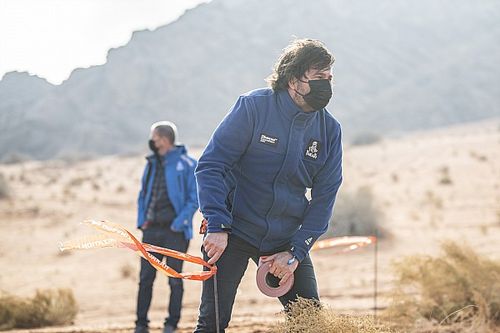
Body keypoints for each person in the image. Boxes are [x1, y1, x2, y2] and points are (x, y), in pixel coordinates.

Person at [194, 39, 343, 332]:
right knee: (211, 325)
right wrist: (217, 225)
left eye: (329, 78)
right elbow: (211, 165)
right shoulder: (253, 108)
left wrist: (296, 251)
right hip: (232, 232)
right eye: (318, 77)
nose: (326, 85)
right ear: (293, 80)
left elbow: (326, 195)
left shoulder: (329, 130)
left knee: (311, 324)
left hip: (285, 240)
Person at [135, 121, 198, 333]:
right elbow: (143, 194)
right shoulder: (151, 163)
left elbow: (193, 199)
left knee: (174, 279)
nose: (151, 142)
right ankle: (141, 325)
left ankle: (171, 324)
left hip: (176, 234)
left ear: (163, 139)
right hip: (151, 230)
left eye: (154, 138)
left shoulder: (187, 164)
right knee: (145, 279)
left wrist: (178, 223)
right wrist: (142, 221)